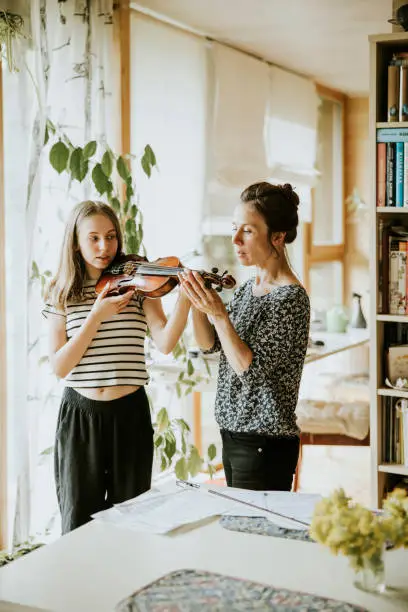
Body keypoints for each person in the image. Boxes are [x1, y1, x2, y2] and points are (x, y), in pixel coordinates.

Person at [43, 200, 190, 533]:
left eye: (110, 237)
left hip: (130, 415)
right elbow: (60, 366)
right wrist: (96, 316)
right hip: (80, 418)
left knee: (134, 520)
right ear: (75, 242)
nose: (104, 247)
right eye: (93, 238)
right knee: (78, 522)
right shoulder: (61, 292)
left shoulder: (138, 284)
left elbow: (165, 342)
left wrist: (185, 299)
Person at [179, 182, 310, 492]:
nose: (235, 239)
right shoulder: (246, 290)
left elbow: (249, 370)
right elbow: (210, 345)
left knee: (255, 536)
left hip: (265, 444)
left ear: (278, 237)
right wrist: (199, 303)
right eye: (235, 228)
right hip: (235, 435)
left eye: (248, 231)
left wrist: (220, 315)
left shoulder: (289, 298)